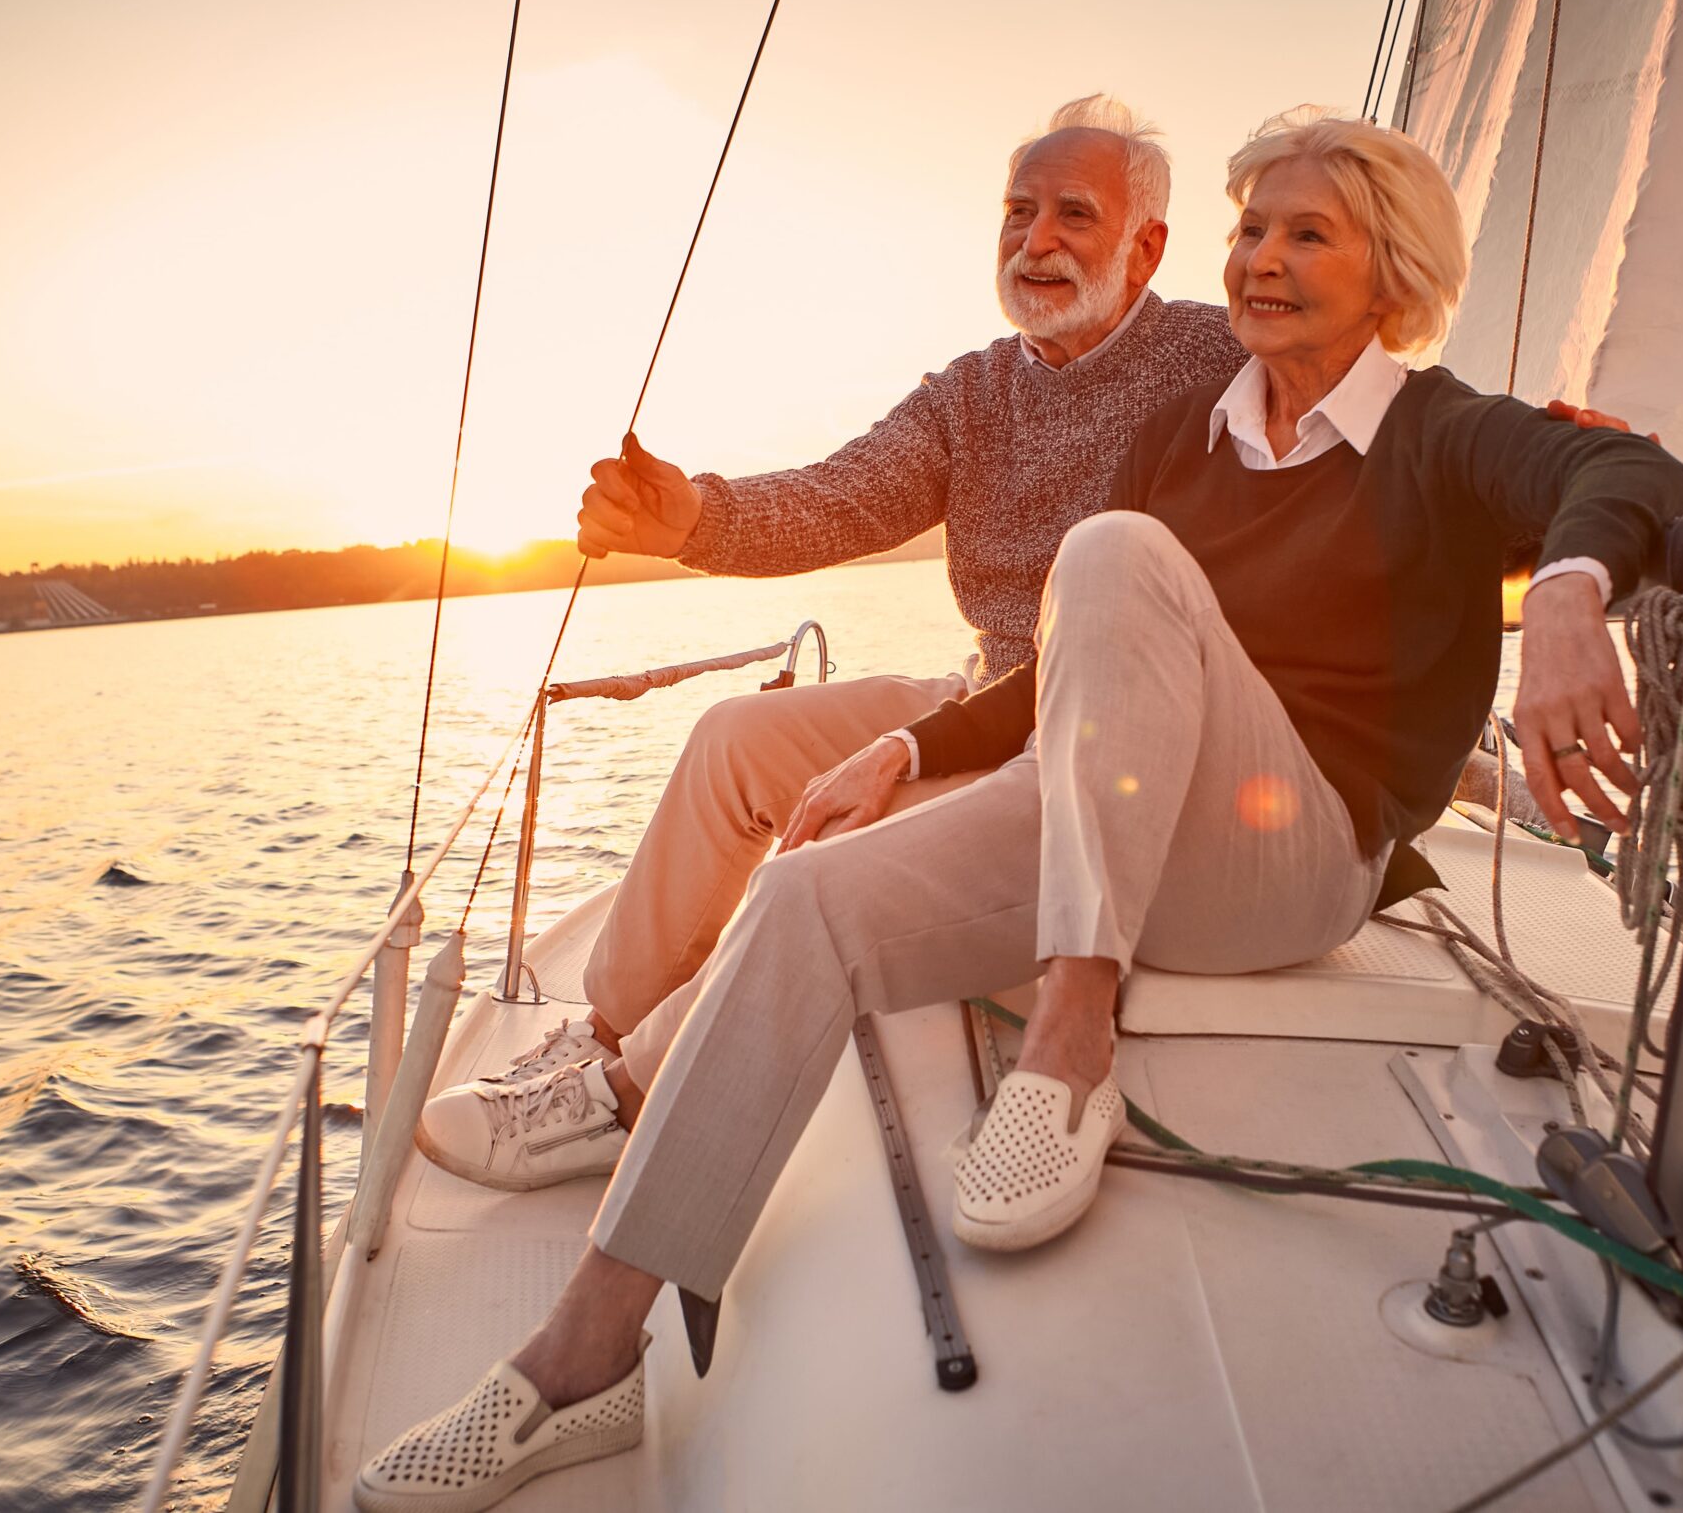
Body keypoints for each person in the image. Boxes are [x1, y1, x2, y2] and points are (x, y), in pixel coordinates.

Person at [352, 109, 1683, 1513]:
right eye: (1255, 230)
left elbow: (1628, 476)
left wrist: (1564, 596)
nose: (1265, 259)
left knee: (1110, 551)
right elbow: (1065, 658)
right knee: (807, 894)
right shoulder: (1189, 429)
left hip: (1295, 857)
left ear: (1392, 270)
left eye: (1310, 234)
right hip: (1123, 804)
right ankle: (583, 1358)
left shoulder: (1438, 429)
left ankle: (1071, 1035)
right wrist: (910, 748)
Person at [411, 94, 1246, 1191]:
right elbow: (838, 498)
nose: (1034, 240)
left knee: (844, 837)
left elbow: (1365, 418)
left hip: (1101, 741)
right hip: (983, 695)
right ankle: (603, 1035)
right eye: (1017, 209)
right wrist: (691, 521)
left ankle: (644, 1088)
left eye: (1072, 215)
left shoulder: (1218, 355)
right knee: (735, 741)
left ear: (1144, 246)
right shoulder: (974, 391)